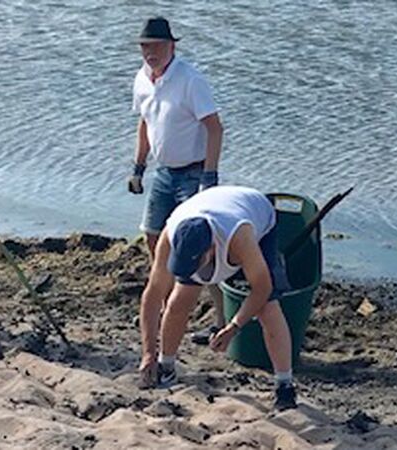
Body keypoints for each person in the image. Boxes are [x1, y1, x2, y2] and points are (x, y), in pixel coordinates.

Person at [137, 186, 297, 411]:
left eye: (194, 264)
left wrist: (233, 326)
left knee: (268, 308)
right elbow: (153, 295)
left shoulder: (240, 238)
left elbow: (262, 288)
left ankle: (284, 385)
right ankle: (166, 365)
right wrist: (148, 354)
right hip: (206, 208)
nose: (190, 270)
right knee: (180, 299)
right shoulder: (170, 234)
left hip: (254, 213)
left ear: (211, 249)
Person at [128, 17, 226, 340]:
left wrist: (209, 176)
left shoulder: (190, 80)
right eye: (145, 46)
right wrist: (138, 167)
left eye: (156, 46)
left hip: (194, 173)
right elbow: (145, 123)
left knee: (200, 246)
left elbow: (214, 128)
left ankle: (221, 318)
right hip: (163, 172)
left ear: (171, 46)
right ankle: (162, 305)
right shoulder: (142, 79)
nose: (150, 53)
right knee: (153, 237)